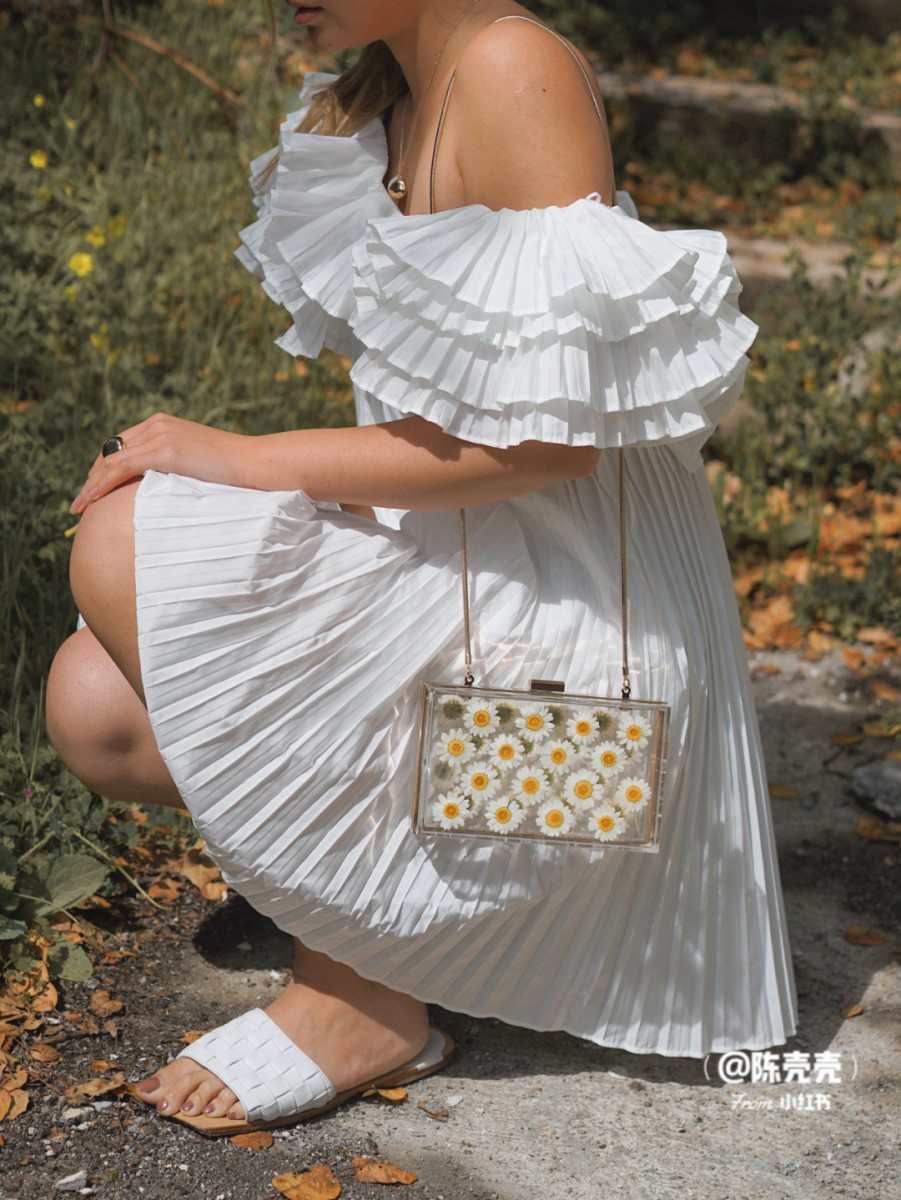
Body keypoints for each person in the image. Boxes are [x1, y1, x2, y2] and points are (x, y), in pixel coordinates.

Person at [46, 0, 798, 1136]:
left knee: (125, 539)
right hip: (456, 551)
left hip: (572, 607)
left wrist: (236, 458)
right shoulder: (379, 97)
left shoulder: (511, 67)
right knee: (95, 704)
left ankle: (362, 989)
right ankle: (396, 908)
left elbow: (545, 443)